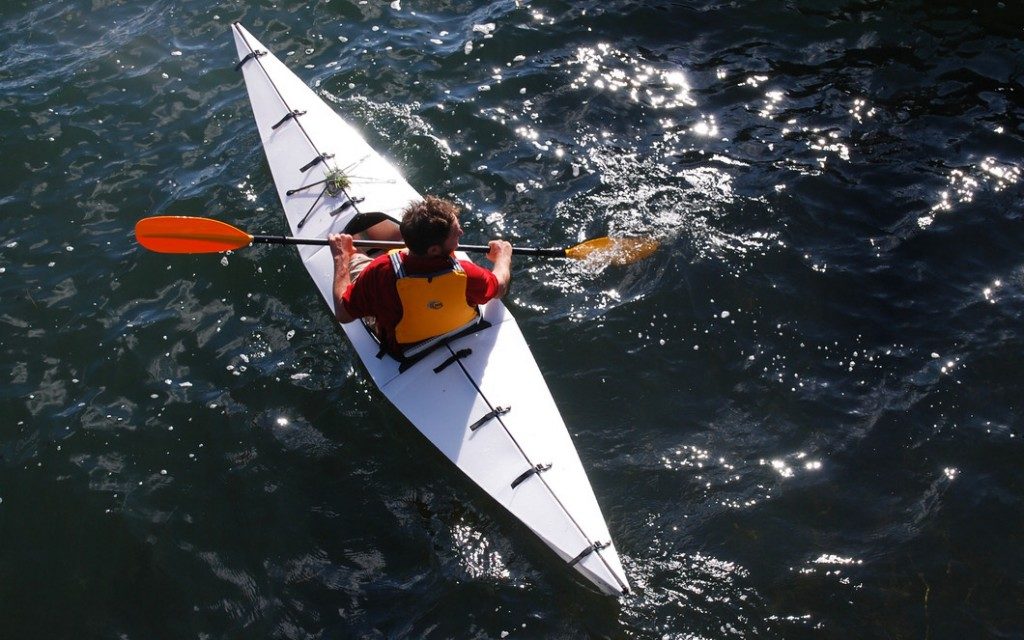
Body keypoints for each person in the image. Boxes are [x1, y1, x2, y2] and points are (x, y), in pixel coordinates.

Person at [328, 196, 512, 357]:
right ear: (433, 250)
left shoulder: (379, 271)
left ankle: (355, 254)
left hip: (406, 348)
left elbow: (344, 314)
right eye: (456, 232)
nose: (461, 233)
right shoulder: (467, 273)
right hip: (461, 328)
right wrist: (503, 256)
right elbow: (499, 286)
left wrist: (340, 259)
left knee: (356, 257)